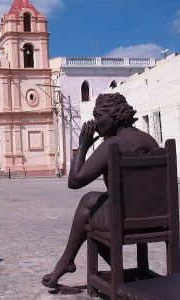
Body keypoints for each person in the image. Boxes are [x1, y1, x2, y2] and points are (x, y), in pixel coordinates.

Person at [42, 93, 159, 288]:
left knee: (88, 208)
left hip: (125, 218)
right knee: (93, 201)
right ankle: (77, 264)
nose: (94, 123)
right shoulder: (149, 140)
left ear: (113, 116)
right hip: (157, 217)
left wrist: (83, 146)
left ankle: (67, 262)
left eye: (98, 117)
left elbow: (74, 181)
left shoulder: (112, 144)